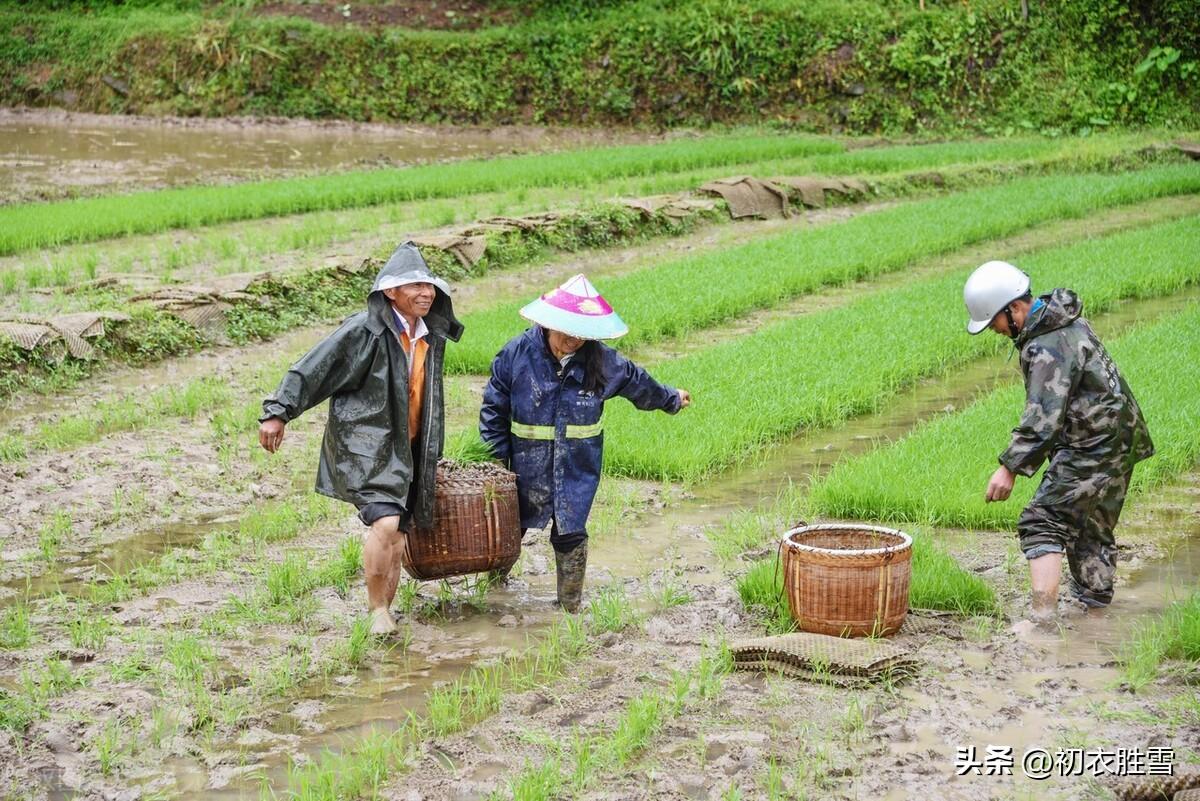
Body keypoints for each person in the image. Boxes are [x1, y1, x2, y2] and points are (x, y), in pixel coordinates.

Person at [258, 242, 463, 635]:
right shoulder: (364, 331)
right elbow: (316, 366)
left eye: (429, 286)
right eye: (415, 286)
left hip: (412, 447)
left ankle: (386, 610)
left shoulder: (429, 335)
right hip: (367, 444)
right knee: (386, 524)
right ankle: (375, 611)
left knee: (400, 536)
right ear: (390, 292)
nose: (426, 293)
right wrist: (278, 411)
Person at [479, 274, 690, 612]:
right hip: (523, 467)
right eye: (567, 331)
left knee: (570, 533)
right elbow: (493, 408)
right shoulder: (516, 354)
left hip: (576, 467)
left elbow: (640, 384)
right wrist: (494, 462)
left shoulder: (603, 360)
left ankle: (569, 608)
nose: (574, 340)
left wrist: (671, 399)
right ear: (548, 323)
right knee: (508, 530)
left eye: (581, 334)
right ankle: (491, 592)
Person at [963, 260, 1153, 626]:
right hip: (1122, 438)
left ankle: (1042, 622)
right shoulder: (1065, 320)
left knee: (1041, 521)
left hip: (1092, 445)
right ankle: (1096, 620)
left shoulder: (1046, 346)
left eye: (995, 322)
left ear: (1013, 308)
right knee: (1090, 527)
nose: (995, 331)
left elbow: (1042, 420)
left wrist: (1009, 469)